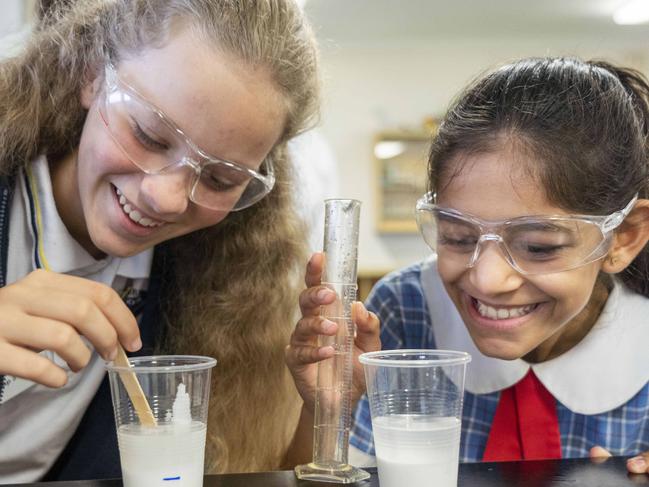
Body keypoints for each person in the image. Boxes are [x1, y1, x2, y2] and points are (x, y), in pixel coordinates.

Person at [0, 0, 321, 482]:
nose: (167, 198)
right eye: (149, 137)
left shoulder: (210, 279)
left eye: (218, 178)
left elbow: (257, 468)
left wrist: (322, 407)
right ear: (92, 76)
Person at [289, 57, 649, 475]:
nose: (487, 279)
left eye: (537, 246)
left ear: (623, 237)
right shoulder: (404, 311)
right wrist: (329, 409)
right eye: (458, 238)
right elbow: (325, 472)